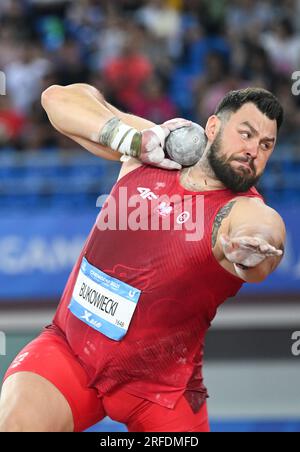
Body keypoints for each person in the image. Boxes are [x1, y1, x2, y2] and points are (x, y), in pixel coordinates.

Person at [0, 84, 285, 432]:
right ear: (213, 128)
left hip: (162, 392)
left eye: (266, 145)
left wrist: (250, 248)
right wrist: (130, 140)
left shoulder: (242, 209)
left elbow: (263, 232)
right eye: (246, 134)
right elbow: (56, 99)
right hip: (71, 351)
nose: (253, 150)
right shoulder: (153, 154)